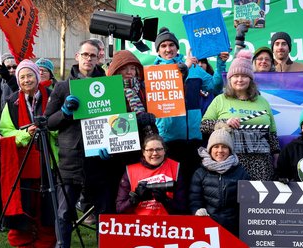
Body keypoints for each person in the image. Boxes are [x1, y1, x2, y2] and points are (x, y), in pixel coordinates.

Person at [45, 39, 106, 248]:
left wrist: (111, 144)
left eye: (93, 56)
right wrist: (64, 112)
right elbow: (48, 123)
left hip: (99, 159)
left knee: (102, 210)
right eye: (85, 55)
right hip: (71, 157)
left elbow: (118, 119)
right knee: (64, 212)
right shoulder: (62, 88)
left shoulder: (107, 84)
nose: (89, 59)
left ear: (98, 58)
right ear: (77, 56)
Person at [0, 60, 56, 248]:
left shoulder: (51, 96)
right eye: (22, 77)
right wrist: (25, 133)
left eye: (29, 75)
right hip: (22, 163)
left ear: (37, 77)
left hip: (49, 160)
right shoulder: (12, 101)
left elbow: (60, 124)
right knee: (24, 206)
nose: (26, 80)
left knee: (47, 208)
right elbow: (4, 132)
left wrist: (49, 128)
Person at [153, 27, 227, 182]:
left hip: (193, 136)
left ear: (177, 48)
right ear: (158, 51)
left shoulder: (194, 68)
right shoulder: (155, 71)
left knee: (194, 181)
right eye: (163, 46)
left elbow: (215, 86)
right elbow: (170, 82)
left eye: (171, 45)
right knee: (172, 182)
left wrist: (220, 64)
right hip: (168, 138)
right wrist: (185, 66)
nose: (168, 49)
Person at [201, 50, 279, 181]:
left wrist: (276, 155)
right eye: (235, 76)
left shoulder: (262, 101)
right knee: (233, 199)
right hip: (231, 161)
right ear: (230, 79)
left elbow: (272, 133)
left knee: (259, 199)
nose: (239, 79)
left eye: (244, 76)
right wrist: (225, 123)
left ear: (250, 79)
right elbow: (203, 126)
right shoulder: (220, 99)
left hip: (261, 163)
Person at [97, 50, 158, 211]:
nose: (130, 72)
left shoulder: (144, 89)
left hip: (141, 149)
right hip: (117, 153)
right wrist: (137, 120)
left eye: (133, 68)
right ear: (116, 70)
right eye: (125, 68)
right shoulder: (109, 91)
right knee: (117, 193)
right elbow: (106, 120)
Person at [190, 123, 250, 235]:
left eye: (224, 147)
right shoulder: (200, 173)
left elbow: (247, 204)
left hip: (234, 228)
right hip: (207, 225)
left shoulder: (240, 172)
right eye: (216, 146)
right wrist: (197, 211)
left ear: (230, 150)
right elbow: (194, 199)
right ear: (210, 149)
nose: (220, 150)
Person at [115, 135, 186, 215]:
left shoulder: (175, 167)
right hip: (139, 224)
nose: (155, 153)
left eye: (159, 149)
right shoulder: (130, 171)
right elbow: (120, 209)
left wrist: (165, 200)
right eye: (150, 150)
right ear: (143, 152)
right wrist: (135, 198)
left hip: (168, 224)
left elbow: (182, 208)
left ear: (164, 150)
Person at [0, 53, 19, 129]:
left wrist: (8, 78)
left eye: (14, 67)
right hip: (0, 123)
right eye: (8, 67)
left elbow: (20, 91)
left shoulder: (23, 81)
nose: (12, 70)